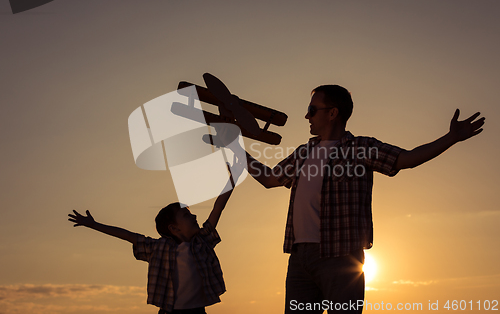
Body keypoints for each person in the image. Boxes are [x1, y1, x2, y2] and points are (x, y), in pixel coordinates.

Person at [245, 85, 485, 313]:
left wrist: (451, 137)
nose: (307, 116)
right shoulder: (303, 152)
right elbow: (269, 179)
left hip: (340, 259)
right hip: (299, 259)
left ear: (332, 113)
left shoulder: (360, 148)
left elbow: (406, 159)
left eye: (311, 110)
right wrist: (234, 149)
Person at [68, 160, 243, 314]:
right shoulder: (158, 248)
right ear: (173, 228)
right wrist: (93, 224)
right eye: (187, 215)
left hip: (198, 312)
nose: (194, 217)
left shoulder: (202, 242)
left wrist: (233, 178)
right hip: (170, 312)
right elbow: (127, 235)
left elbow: (218, 207)